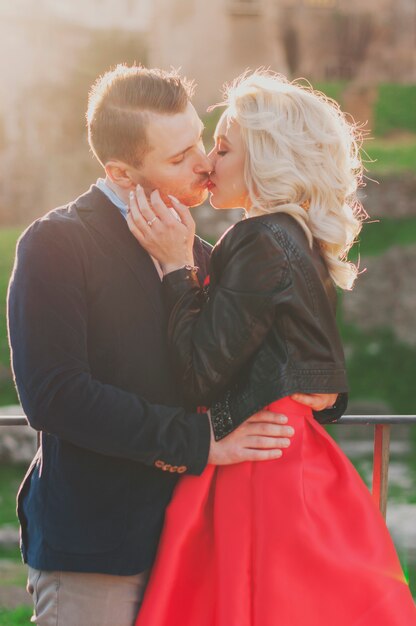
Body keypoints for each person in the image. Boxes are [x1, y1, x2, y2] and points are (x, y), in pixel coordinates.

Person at [6, 65, 338, 626]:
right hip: (98, 550)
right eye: (179, 157)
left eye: (201, 143)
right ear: (121, 172)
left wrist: (318, 388)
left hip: (194, 545)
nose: (204, 163)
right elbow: (55, 397)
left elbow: (232, 363)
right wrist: (198, 442)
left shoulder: (199, 255)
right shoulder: (56, 243)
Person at [127, 70, 416, 625]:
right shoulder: (294, 234)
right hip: (289, 453)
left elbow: (197, 374)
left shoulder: (259, 238)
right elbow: (315, 353)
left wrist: (174, 267)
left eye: (223, 148)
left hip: (258, 467)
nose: (210, 163)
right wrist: (330, 391)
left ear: (266, 156)